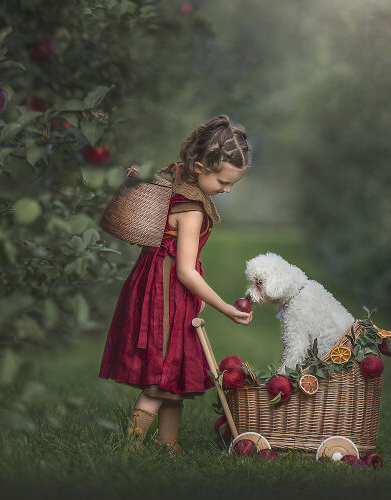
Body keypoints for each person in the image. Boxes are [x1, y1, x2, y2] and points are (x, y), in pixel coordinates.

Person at [98, 115, 253, 452]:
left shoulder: (176, 181)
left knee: (173, 373)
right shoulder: (192, 208)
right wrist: (225, 308)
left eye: (232, 185)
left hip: (154, 281)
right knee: (160, 375)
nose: (226, 190)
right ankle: (132, 446)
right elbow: (186, 271)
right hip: (165, 292)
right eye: (223, 182)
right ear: (199, 167)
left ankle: (170, 445)